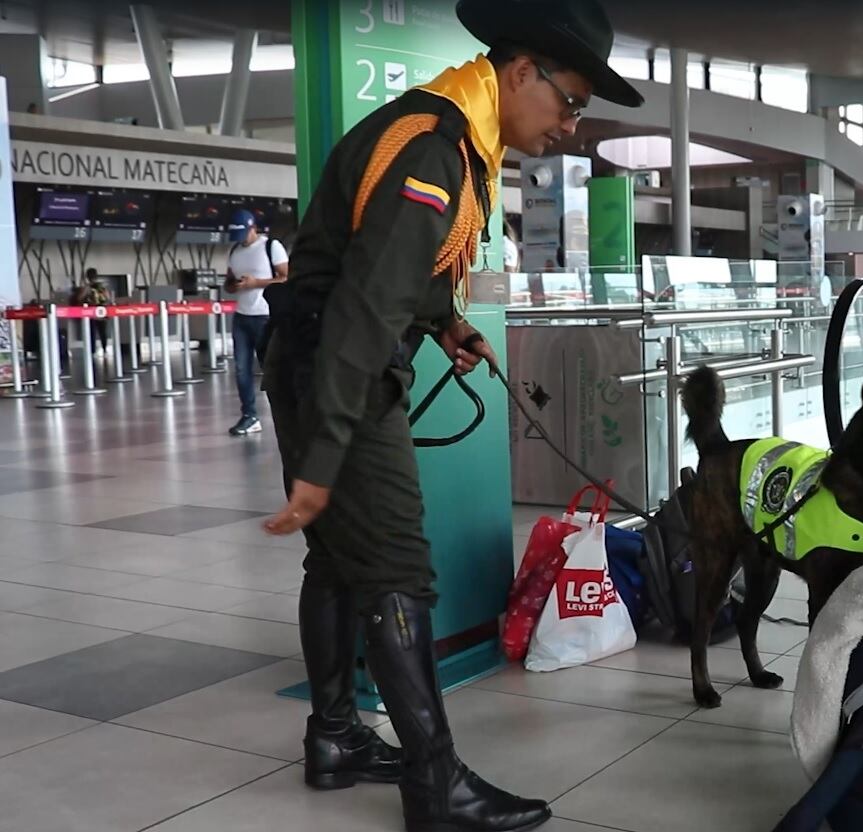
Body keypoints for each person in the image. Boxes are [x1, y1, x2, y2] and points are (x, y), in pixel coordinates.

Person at [261, 2, 642, 830]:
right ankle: (435, 788)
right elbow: (365, 309)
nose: (572, 126)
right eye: (570, 102)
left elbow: (395, 263)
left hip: (316, 357)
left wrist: (447, 321)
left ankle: (335, 739)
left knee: (338, 565)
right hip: (341, 369)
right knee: (399, 568)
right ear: (518, 73)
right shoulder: (434, 148)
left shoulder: (453, 131)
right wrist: (324, 460)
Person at [223, 208, 288, 436]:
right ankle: (249, 415)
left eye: (243, 234)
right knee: (241, 369)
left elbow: (285, 277)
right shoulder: (235, 251)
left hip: (265, 315)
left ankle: (282, 410)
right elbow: (228, 282)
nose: (240, 240)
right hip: (242, 316)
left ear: (253, 229)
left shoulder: (271, 247)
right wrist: (234, 285)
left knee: (270, 367)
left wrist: (256, 283)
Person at [71, 268, 110, 354]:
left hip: (91, 312)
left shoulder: (87, 287)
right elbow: (107, 297)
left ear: (87, 277)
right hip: (101, 311)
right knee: (102, 332)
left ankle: (93, 351)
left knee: (92, 333)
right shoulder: (101, 287)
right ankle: (104, 349)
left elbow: (79, 298)